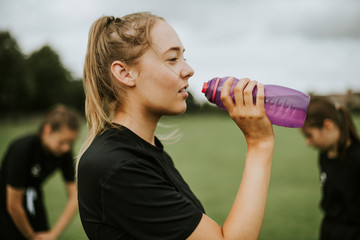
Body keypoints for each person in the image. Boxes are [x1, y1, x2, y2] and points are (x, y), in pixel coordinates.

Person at [77, 12, 275, 240]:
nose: (189, 70)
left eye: (184, 57)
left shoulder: (143, 151)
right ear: (125, 73)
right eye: (172, 59)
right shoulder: (118, 167)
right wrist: (260, 144)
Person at [0, 105, 82, 240]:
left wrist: (53, 234)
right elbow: (13, 205)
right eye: (62, 142)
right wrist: (31, 236)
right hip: (6, 205)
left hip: (34, 198)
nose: (66, 148)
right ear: (47, 130)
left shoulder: (64, 153)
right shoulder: (22, 149)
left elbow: (75, 197)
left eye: (71, 143)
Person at [301, 97, 360, 240]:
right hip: (329, 230)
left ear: (328, 125)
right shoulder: (324, 155)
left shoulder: (357, 158)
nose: (307, 142)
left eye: (309, 135)